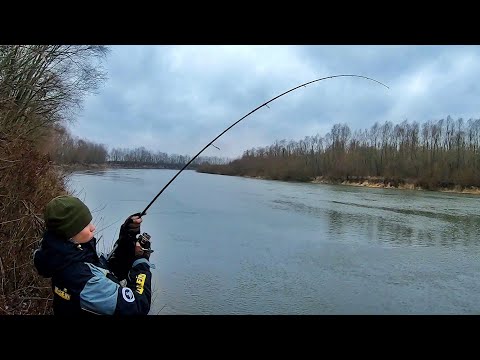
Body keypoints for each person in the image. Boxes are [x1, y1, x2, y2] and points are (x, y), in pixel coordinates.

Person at [33, 195, 153, 315]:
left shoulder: (66, 256)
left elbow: (111, 269)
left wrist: (127, 237)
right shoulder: (83, 280)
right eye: (85, 225)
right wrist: (141, 262)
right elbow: (137, 307)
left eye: (90, 221)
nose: (93, 227)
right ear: (69, 233)